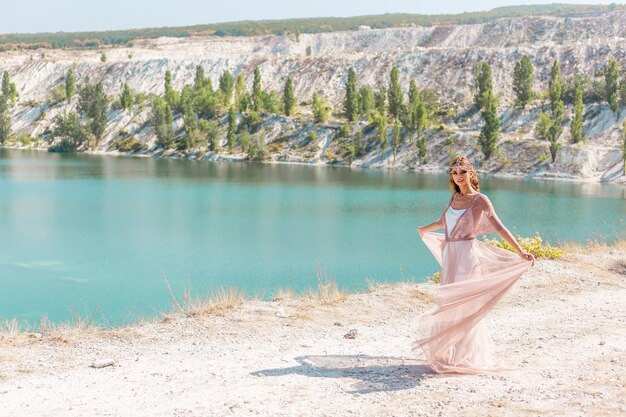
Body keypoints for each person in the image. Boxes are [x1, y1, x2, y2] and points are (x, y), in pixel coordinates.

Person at [414, 156, 535, 374]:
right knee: (448, 302)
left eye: (462, 172)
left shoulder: (481, 200)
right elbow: (443, 222)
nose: (458, 177)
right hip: (450, 255)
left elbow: (499, 228)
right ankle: (448, 353)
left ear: (471, 173)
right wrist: (424, 229)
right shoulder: (454, 197)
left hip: (466, 256)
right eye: (454, 172)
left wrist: (520, 251)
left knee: (464, 304)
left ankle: (465, 355)